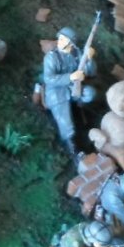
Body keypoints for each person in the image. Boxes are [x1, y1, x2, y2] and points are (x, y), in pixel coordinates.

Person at [42, 25, 96, 157]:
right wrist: (70, 77)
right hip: (56, 92)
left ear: (71, 43)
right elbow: (48, 79)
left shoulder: (77, 54)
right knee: (65, 121)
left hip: (73, 87)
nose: (59, 41)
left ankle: (81, 112)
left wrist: (89, 59)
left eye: (63, 39)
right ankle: (73, 148)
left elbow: (91, 72)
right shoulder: (51, 57)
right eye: (59, 39)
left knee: (90, 93)